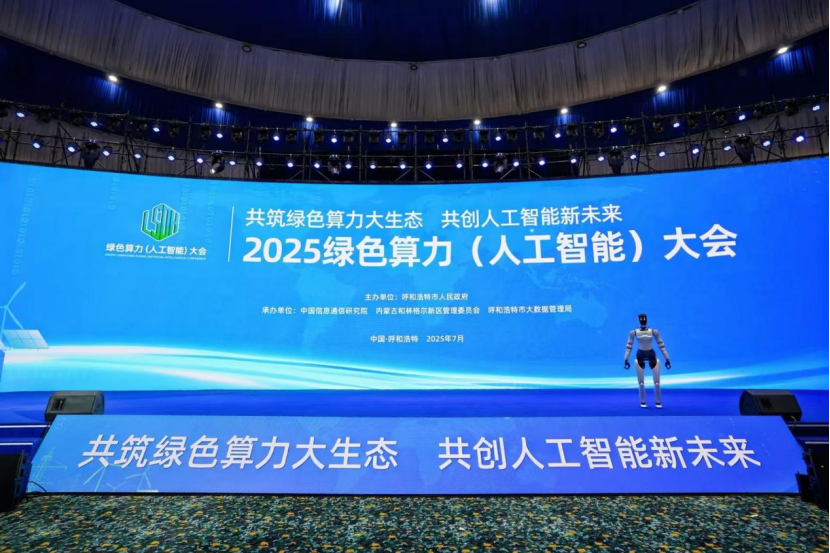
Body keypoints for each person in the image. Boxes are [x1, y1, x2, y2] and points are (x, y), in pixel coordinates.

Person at [624, 313, 671, 408]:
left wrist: (667, 359)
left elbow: (661, 345)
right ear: (638, 320)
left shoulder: (654, 332)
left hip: (651, 355)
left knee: (657, 382)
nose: (643, 320)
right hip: (640, 355)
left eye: (644, 318)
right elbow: (629, 346)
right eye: (641, 318)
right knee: (641, 382)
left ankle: (658, 402)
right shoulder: (634, 333)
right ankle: (643, 401)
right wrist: (626, 359)